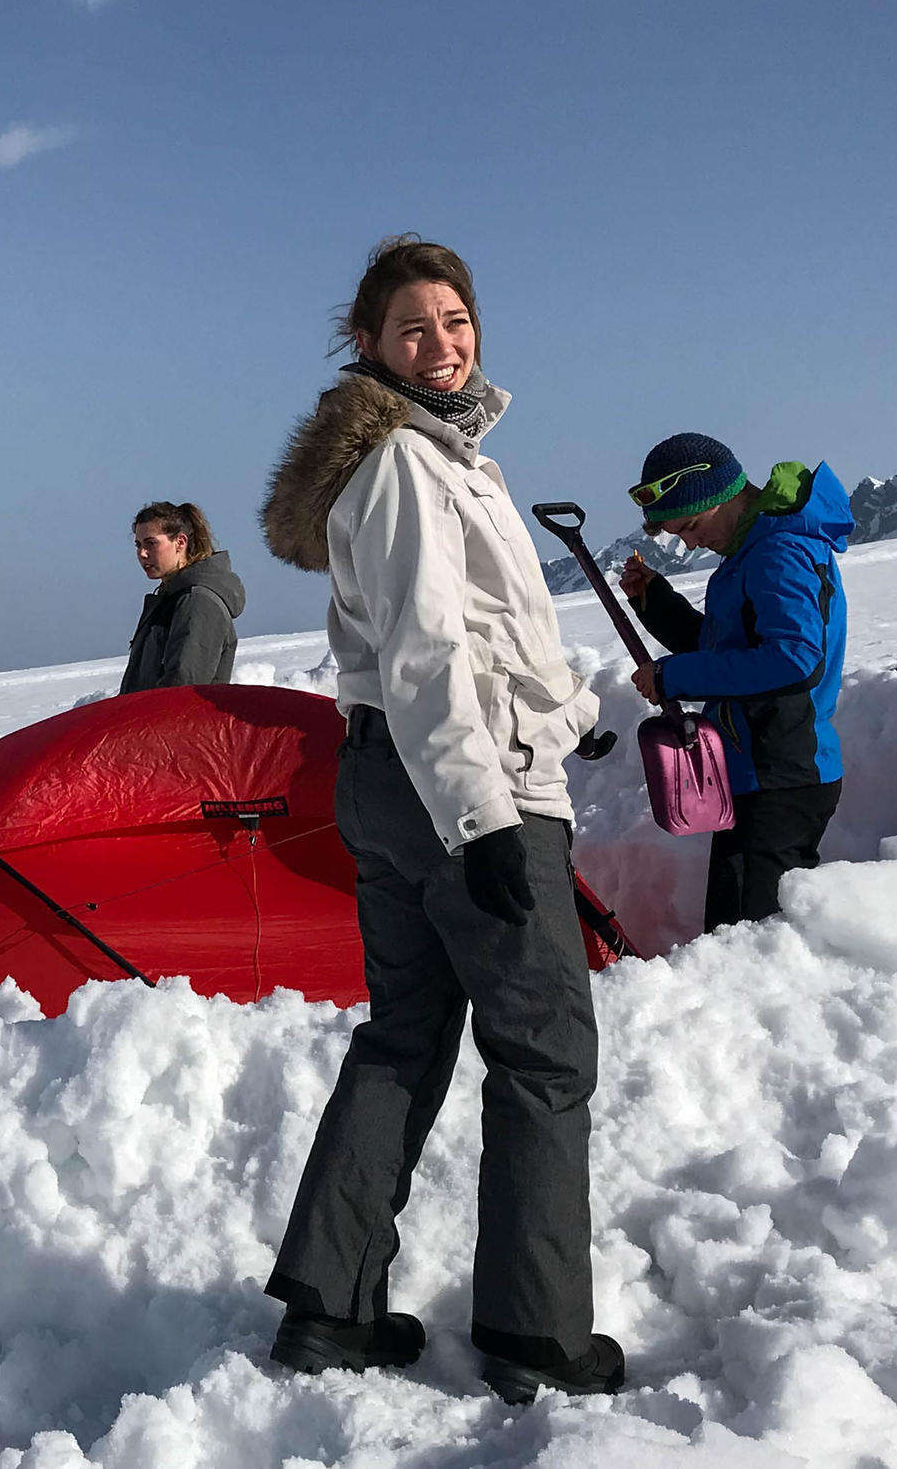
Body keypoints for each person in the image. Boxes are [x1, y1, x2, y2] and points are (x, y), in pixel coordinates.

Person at [257, 236, 623, 1401]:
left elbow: (489, 637)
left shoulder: (434, 462)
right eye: (414, 328)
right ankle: (536, 1333)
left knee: (405, 1036)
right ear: (367, 346)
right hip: (460, 787)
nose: (444, 343)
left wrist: (569, 711)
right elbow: (426, 658)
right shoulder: (413, 466)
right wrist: (486, 822)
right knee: (546, 1051)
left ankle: (329, 1305)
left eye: (457, 321)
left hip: (395, 776)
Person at [616, 433, 851, 933]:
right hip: (754, 774)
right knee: (738, 938)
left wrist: (672, 676)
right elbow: (724, 649)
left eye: (692, 526)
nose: (691, 542)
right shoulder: (748, 557)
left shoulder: (777, 553)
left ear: (720, 494)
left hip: (781, 778)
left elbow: (793, 658)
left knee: (749, 945)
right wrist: (656, 601)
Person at [118, 501, 245, 693]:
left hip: (173, 721)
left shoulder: (198, 601)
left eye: (151, 543)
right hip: (148, 720)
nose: (142, 553)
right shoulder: (169, 600)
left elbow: (184, 685)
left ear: (180, 542)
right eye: (138, 545)